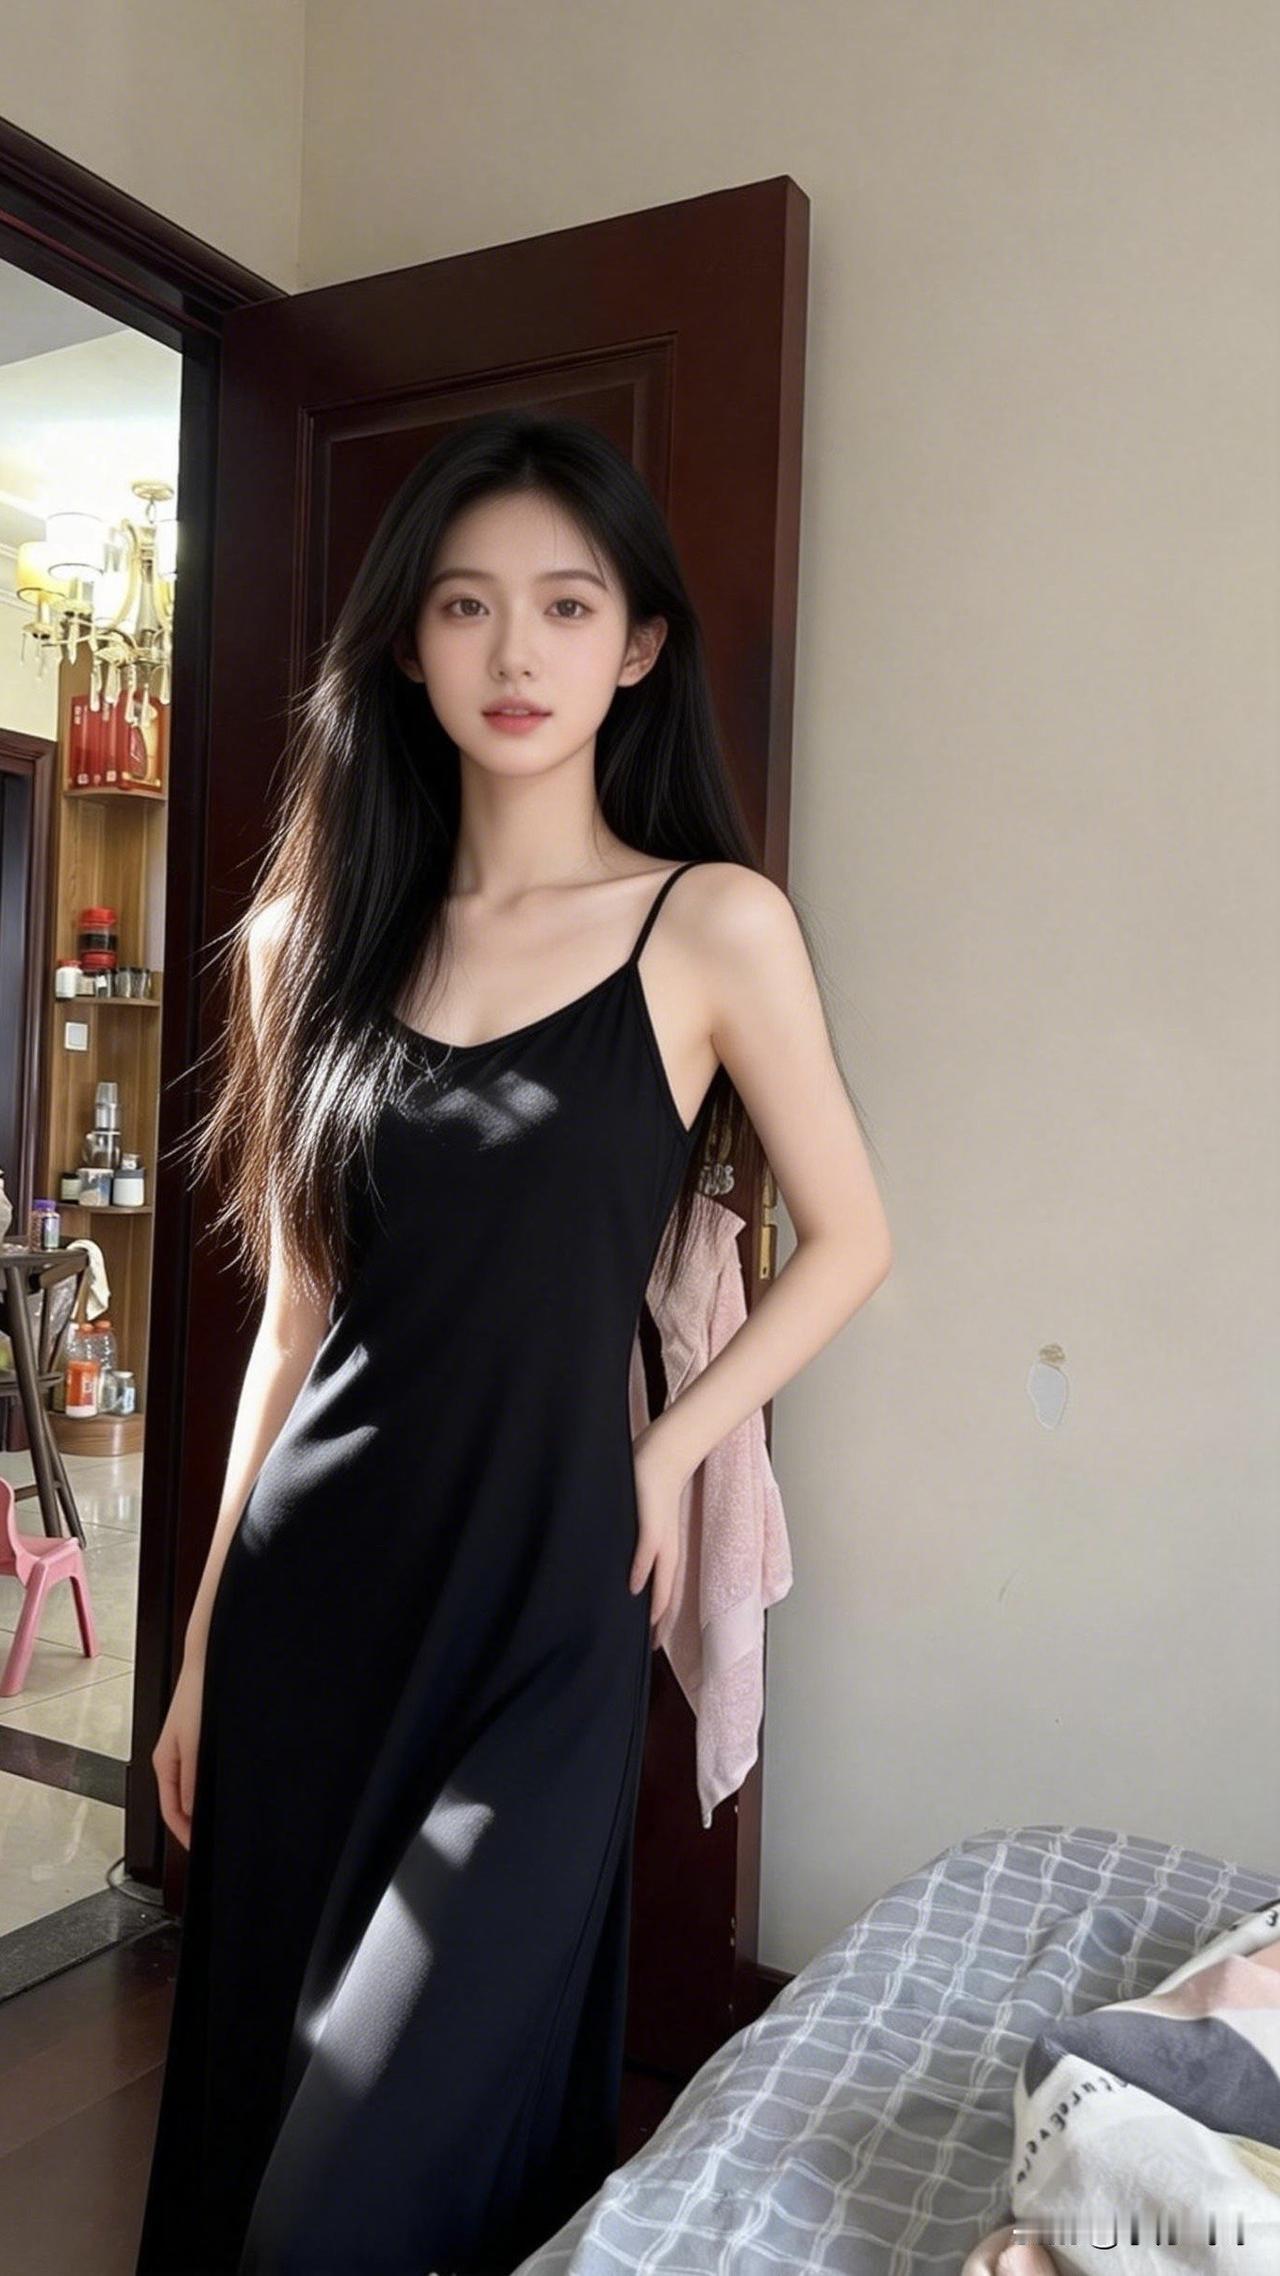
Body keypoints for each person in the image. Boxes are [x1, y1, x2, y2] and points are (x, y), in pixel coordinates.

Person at [135, 408, 893, 2276]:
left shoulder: (709, 928)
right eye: (466, 605)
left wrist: (664, 1449)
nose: (515, 650)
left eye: (567, 604)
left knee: (357, 2188)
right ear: (409, 644)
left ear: (638, 646)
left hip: (547, 1609)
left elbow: (853, 1242)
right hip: (315, 1602)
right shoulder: (306, 941)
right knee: (253, 2124)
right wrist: (204, 1646)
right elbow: (295, 1323)